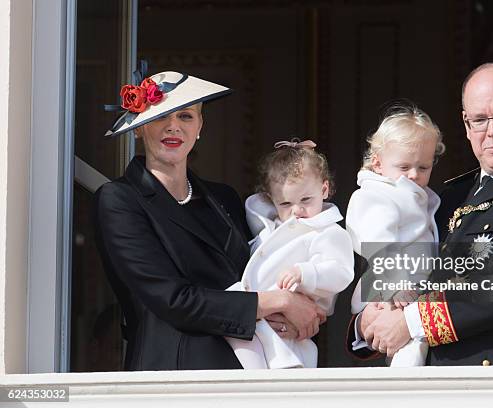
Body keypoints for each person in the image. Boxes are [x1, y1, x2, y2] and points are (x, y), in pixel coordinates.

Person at [347, 62, 493, 366]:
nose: (492, 132)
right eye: (479, 120)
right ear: (466, 126)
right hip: (426, 381)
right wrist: (368, 322)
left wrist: (412, 322)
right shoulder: (447, 196)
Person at [94, 70, 325, 371]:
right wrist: (280, 303)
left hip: (251, 367)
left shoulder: (224, 198)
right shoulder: (119, 199)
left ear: (200, 126)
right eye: (161, 116)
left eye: (186, 117)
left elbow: (285, 249)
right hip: (173, 377)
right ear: (139, 128)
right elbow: (173, 300)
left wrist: (301, 312)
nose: (173, 126)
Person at [226, 140, 354, 368]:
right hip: (256, 312)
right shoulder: (270, 225)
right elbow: (255, 204)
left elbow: (340, 270)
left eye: (306, 199)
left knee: (288, 366)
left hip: (292, 320)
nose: (297, 210)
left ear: (324, 190)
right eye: (285, 202)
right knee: (236, 328)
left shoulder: (328, 232)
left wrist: (305, 272)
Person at [345, 104, 444, 366]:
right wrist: (396, 283)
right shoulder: (374, 195)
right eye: (404, 166)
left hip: (411, 290)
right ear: (377, 163)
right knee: (410, 353)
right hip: (390, 289)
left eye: (424, 167)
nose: (414, 174)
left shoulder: (416, 196)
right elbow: (377, 244)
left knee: (414, 346)